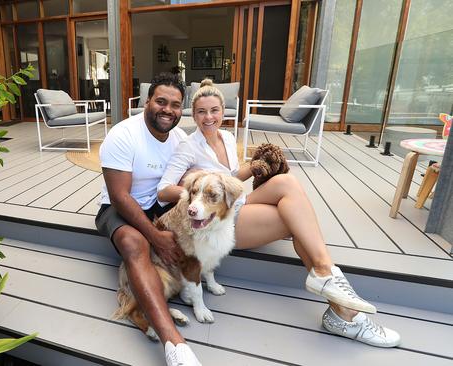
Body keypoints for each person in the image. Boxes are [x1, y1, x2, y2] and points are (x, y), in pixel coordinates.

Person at [157, 79, 401, 349]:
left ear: (223, 111)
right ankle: (343, 310)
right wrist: (195, 184)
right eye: (201, 112)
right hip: (218, 221)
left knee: (287, 184)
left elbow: (232, 177)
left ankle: (324, 274)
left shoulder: (226, 137)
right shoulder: (188, 147)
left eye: (214, 110)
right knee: (293, 219)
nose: (208, 117)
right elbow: (163, 190)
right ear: (194, 113)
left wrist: (254, 167)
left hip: (235, 205)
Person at [96, 72, 202, 366]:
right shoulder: (123, 134)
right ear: (147, 102)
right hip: (118, 207)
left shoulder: (180, 139)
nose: (168, 110)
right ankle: (175, 346)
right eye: (161, 101)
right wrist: (155, 236)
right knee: (134, 243)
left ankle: (153, 301)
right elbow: (119, 196)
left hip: (159, 206)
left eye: (176, 105)